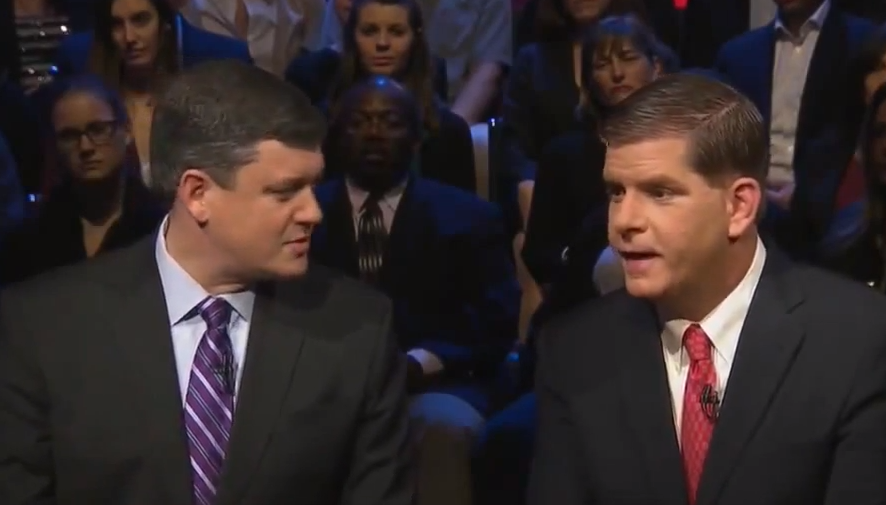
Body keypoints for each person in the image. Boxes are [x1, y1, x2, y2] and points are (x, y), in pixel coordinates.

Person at [0, 59, 414, 505]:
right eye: (284, 191)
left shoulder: (359, 328)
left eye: (313, 187)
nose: (313, 211)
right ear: (198, 194)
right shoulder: (40, 327)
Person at [528, 73, 886, 505]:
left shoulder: (859, 339)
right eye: (616, 191)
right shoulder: (573, 352)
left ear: (739, 206)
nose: (624, 221)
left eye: (660, 192)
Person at [310, 76, 519, 505]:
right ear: (336, 136)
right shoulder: (303, 217)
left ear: (417, 138)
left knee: (442, 426)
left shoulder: (470, 218)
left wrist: (418, 364)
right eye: (359, 122)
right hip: (325, 381)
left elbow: (494, 322)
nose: (373, 133)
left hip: (440, 383)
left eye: (389, 122)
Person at [0, 75, 163, 285]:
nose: (85, 147)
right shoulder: (29, 241)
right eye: (69, 136)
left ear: (126, 131)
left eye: (98, 130)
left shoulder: (161, 228)